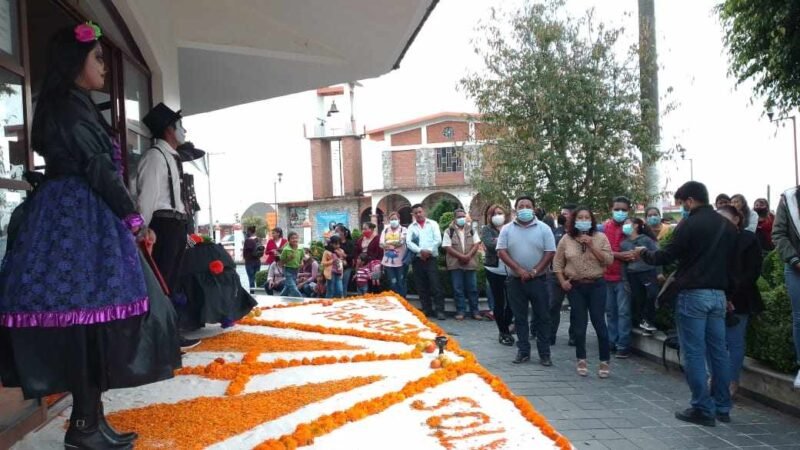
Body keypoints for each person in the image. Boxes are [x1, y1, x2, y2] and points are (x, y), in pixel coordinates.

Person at [0, 24, 180, 448]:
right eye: (97, 57)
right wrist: (134, 220)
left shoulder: (71, 103)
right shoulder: (67, 105)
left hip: (76, 216)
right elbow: (100, 169)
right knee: (88, 321)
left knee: (92, 322)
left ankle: (89, 421)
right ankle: (84, 426)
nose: (103, 65)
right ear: (74, 62)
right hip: (78, 220)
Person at [637, 181, 737, 426]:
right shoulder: (728, 226)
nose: (683, 208)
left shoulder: (689, 224)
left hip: (693, 295)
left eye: (682, 203)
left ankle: (702, 408)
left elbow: (666, 255)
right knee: (719, 353)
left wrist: (643, 253)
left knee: (693, 352)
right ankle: (723, 407)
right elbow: (733, 266)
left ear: (690, 201)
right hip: (719, 296)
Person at [138, 101, 200, 350]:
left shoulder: (172, 157)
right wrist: (141, 228)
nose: (184, 130)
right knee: (161, 282)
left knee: (171, 281)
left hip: (176, 224)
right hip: (162, 224)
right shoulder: (155, 157)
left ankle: (170, 334)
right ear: (168, 130)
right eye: (179, 125)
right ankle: (161, 338)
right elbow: (147, 197)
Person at [553, 207, 613, 378]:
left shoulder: (601, 238)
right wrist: (562, 281)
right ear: (574, 220)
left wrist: (592, 246)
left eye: (587, 217)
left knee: (599, 323)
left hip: (597, 285)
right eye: (580, 217)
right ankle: (581, 358)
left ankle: (604, 360)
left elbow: (608, 261)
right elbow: (557, 264)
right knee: (579, 325)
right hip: (576, 287)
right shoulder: (566, 239)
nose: (584, 220)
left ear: (592, 220)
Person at [497, 195, 556, 366]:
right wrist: (519, 270)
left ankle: (545, 353)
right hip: (516, 281)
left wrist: (535, 270)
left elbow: (550, 252)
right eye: (521, 206)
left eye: (527, 206)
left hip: (539, 280)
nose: (524, 209)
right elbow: (501, 251)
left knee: (543, 317)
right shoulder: (507, 229)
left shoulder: (544, 228)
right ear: (516, 209)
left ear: (534, 208)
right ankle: (523, 351)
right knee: (519, 318)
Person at [717, 205, 764, 397]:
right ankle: (717, 378)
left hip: (740, 298)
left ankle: (732, 381)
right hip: (716, 296)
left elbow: (752, 272)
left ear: (737, 218)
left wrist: (732, 295)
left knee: (735, 341)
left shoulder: (749, 239)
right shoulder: (716, 240)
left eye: (725, 218)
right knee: (716, 342)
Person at [770, 186, 800, 389]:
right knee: (799, 317)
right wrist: (794, 259)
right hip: (796, 267)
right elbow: (779, 234)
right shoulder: (789, 198)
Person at [603, 196, 635, 358]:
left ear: (629, 210)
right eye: (617, 209)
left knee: (623, 312)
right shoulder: (604, 228)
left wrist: (619, 255)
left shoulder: (632, 228)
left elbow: (635, 251)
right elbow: (602, 251)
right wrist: (619, 255)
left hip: (624, 278)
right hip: (606, 276)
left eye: (623, 209)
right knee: (610, 311)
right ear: (611, 210)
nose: (620, 212)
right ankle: (611, 341)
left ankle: (623, 344)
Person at [482, 204, 514, 346]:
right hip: (494, 270)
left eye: (500, 213)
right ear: (489, 216)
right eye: (494, 214)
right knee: (499, 302)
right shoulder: (486, 229)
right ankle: (503, 332)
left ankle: (506, 326)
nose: (497, 216)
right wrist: (502, 242)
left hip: (511, 270)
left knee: (512, 303)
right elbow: (490, 244)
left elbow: (514, 244)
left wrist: (499, 241)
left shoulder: (511, 227)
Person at [620, 218, 659, 335]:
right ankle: (643, 323)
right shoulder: (624, 243)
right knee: (638, 298)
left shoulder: (646, 240)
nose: (624, 226)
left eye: (627, 223)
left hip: (648, 272)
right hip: (632, 274)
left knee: (652, 295)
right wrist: (625, 279)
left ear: (636, 225)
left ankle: (649, 320)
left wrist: (659, 272)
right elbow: (623, 263)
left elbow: (657, 255)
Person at [443, 208, 483, 320]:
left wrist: (468, 256)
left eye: (463, 216)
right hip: (455, 263)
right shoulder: (448, 231)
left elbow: (476, 244)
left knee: (473, 288)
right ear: (454, 218)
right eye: (459, 217)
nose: (461, 218)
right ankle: (461, 311)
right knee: (458, 288)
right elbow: (447, 247)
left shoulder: (471, 230)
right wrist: (461, 256)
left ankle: (475, 311)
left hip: (470, 262)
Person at [407, 204, 446, 319]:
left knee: (435, 285)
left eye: (420, 212)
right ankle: (426, 309)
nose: (418, 214)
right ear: (413, 215)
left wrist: (428, 252)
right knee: (421, 286)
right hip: (417, 260)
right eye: (416, 213)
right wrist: (420, 251)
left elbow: (438, 240)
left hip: (431, 259)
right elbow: (409, 242)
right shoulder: (411, 227)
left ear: (424, 212)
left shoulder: (433, 224)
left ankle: (440, 310)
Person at [549, 203, 577, 346]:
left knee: (576, 307)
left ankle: (574, 336)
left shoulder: (579, 232)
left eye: (565, 213)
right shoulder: (555, 232)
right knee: (553, 305)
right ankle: (550, 334)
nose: (562, 216)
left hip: (574, 276)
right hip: (556, 275)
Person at [380, 212, 408, 297]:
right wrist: (393, 244)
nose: (393, 221)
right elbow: (381, 244)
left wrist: (388, 244)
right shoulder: (385, 230)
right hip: (388, 263)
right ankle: (395, 302)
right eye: (392, 219)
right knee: (393, 283)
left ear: (399, 220)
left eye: (395, 219)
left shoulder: (404, 230)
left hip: (401, 262)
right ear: (389, 220)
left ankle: (403, 302)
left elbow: (401, 242)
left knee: (401, 282)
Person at [356, 222, 383, 292]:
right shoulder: (360, 240)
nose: (363, 231)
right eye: (363, 229)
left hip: (374, 264)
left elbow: (380, 253)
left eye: (365, 229)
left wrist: (379, 265)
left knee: (375, 283)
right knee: (364, 284)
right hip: (363, 265)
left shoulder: (378, 239)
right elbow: (357, 251)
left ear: (371, 229)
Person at [279, 232, 304, 297]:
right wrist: (289, 259)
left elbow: (302, 258)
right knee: (293, 287)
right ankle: (301, 300)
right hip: (287, 270)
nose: (295, 240)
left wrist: (301, 263)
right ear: (289, 240)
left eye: (296, 238)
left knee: (288, 287)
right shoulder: (286, 250)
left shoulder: (300, 249)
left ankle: (280, 298)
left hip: (296, 270)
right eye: (292, 238)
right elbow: (281, 263)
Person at [335, 225, 357, 294]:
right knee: (337, 285)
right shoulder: (335, 243)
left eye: (337, 231)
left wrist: (344, 255)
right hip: (336, 266)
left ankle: (343, 299)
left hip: (347, 266)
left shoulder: (350, 242)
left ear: (343, 232)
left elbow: (353, 255)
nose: (335, 233)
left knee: (344, 284)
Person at [242, 226, 264, 294]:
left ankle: (252, 293)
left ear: (249, 231)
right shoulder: (258, 239)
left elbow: (245, 252)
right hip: (257, 261)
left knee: (251, 278)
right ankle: (259, 292)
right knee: (257, 278)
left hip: (249, 262)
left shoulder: (248, 240)